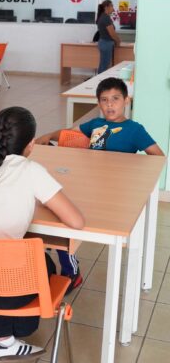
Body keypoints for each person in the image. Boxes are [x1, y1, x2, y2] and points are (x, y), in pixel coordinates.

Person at [0, 107, 85, 362]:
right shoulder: (31, 170)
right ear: (31, 144)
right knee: (44, 263)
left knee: (4, 257)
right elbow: (76, 221)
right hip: (2, 289)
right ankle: (6, 341)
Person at [36, 78, 163, 288]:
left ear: (126, 101)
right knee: (60, 218)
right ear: (98, 103)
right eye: (104, 100)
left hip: (116, 192)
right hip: (90, 185)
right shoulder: (95, 124)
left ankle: (69, 271)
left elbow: (158, 157)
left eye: (115, 99)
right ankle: (70, 268)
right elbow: (69, 133)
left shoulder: (135, 130)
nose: (110, 104)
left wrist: (133, 168)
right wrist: (48, 135)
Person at [96, 0, 120, 74]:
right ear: (106, 7)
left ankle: (100, 79)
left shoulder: (103, 16)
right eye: (112, 6)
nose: (113, 8)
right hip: (106, 43)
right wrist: (118, 41)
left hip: (104, 43)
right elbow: (112, 33)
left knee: (103, 65)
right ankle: (100, 80)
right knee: (104, 66)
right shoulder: (105, 18)